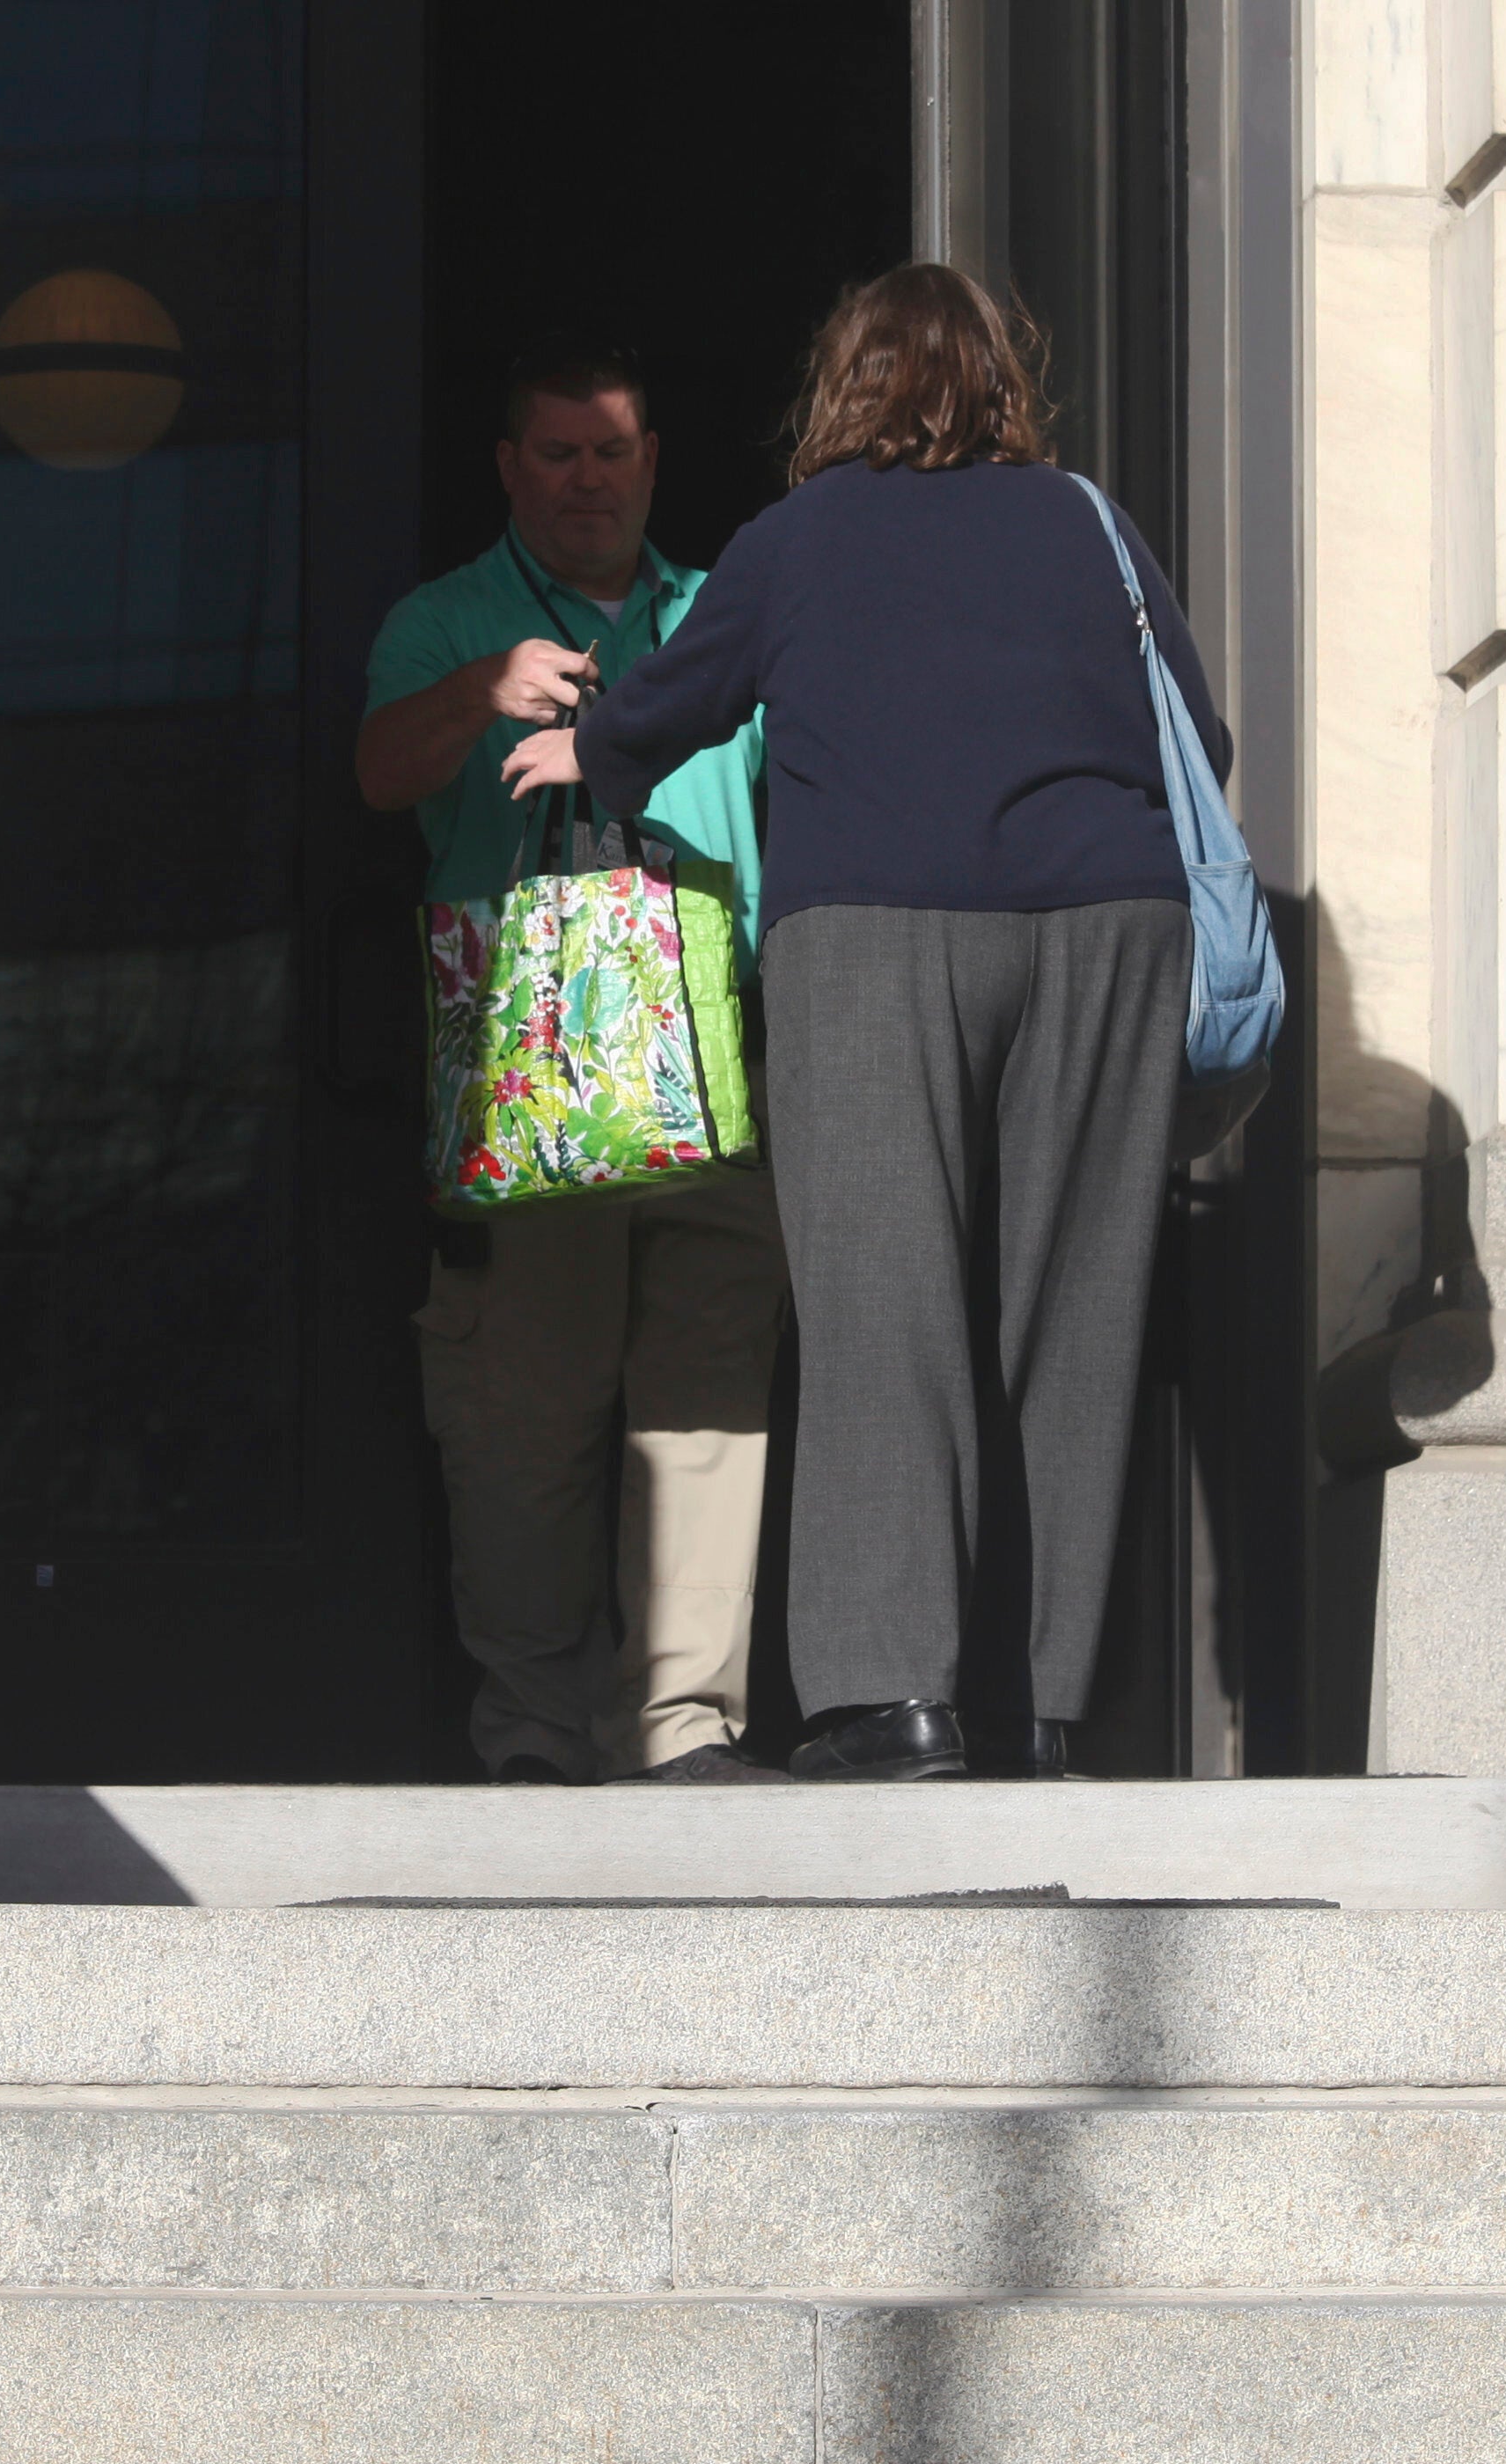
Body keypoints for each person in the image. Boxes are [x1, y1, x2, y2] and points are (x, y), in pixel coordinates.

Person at [506, 265, 1228, 1783]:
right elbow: (1200, 732)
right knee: (1074, 1319)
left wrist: (591, 744)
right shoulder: (1089, 520)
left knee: (880, 1310)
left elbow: (674, 698)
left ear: (844, 388)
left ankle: (891, 1703)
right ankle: (1038, 1708)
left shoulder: (804, 534)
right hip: (1107, 932)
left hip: (877, 932)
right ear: (997, 382)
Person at [359, 341, 788, 1785]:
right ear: (508, 469)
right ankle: (534, 1735)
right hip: (525, 1083)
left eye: (611, 451)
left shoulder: (724, 613)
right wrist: (483, 688)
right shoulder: (447, 620)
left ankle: (681, 1729)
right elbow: (375, 773)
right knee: (521, 1420)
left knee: (708, 1405)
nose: (587, 478)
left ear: (653, 461)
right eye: (557, 453)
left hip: (718, 1072)